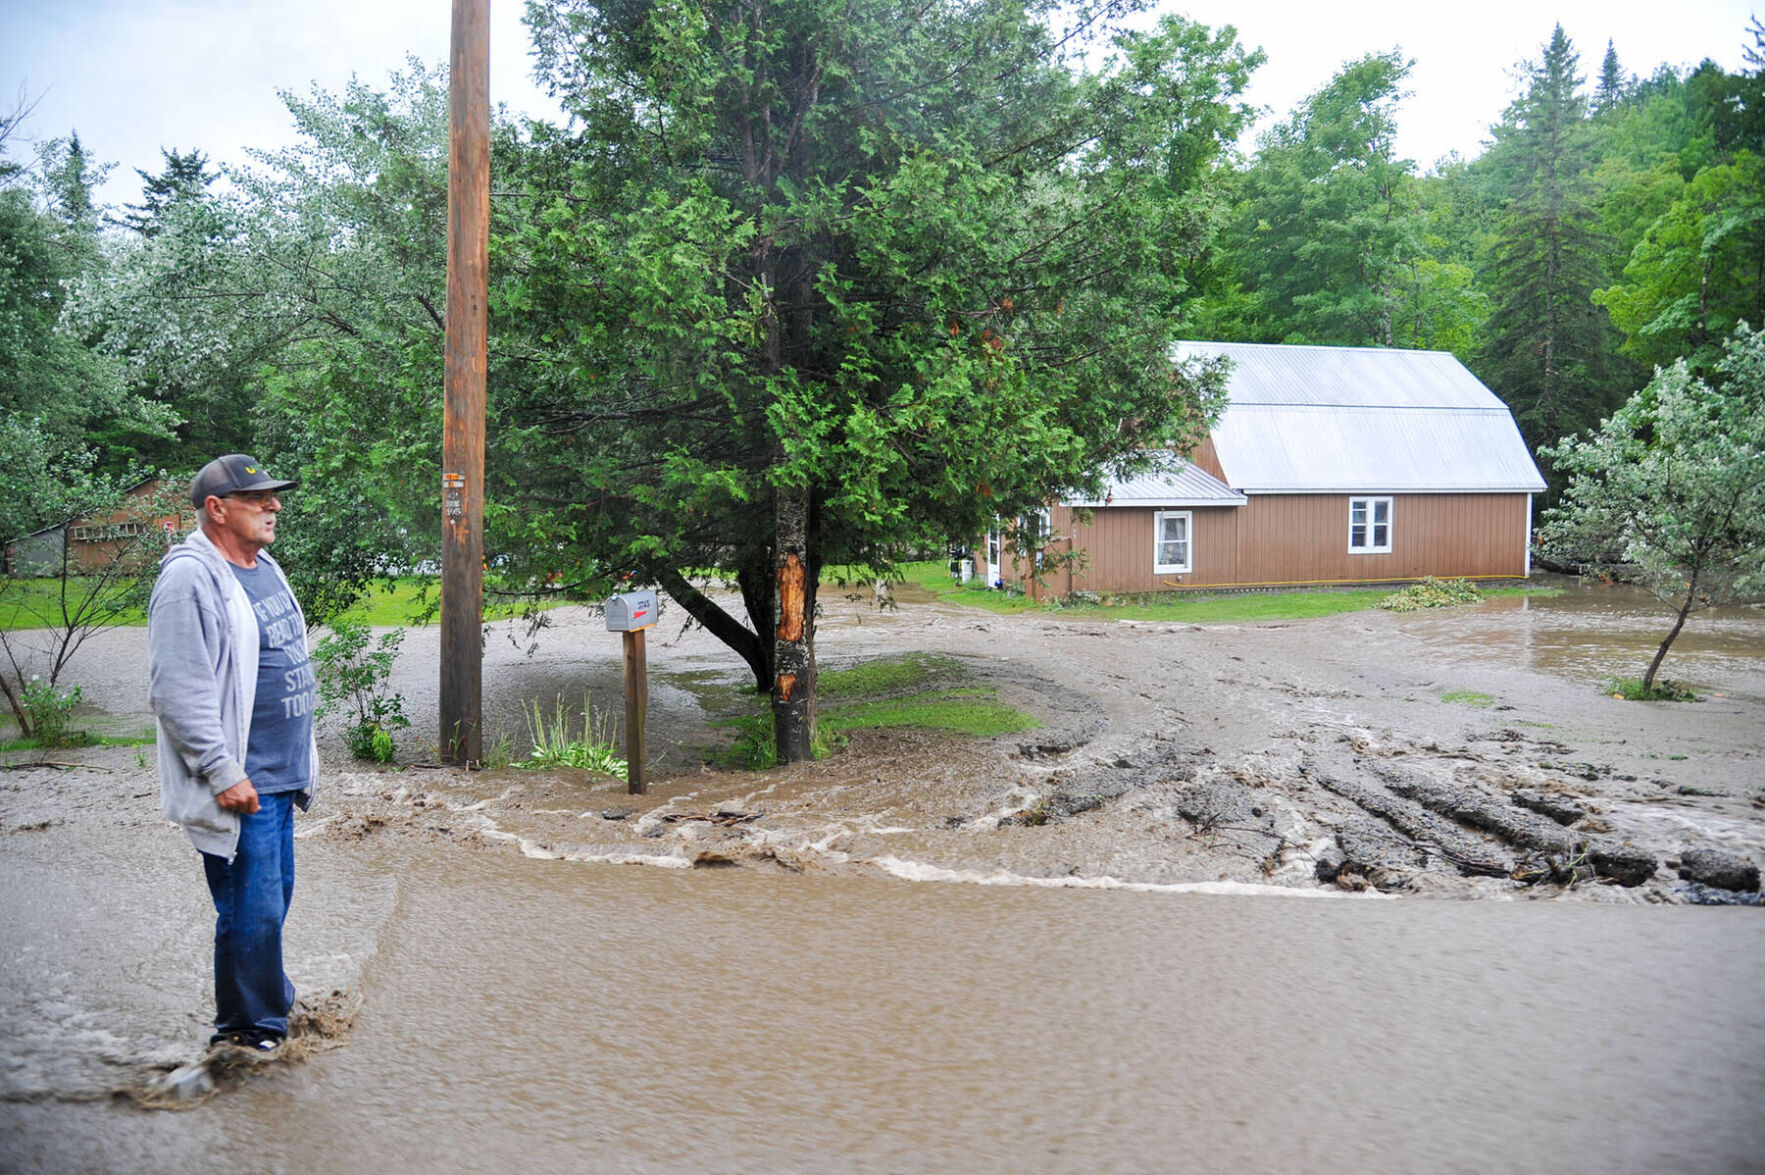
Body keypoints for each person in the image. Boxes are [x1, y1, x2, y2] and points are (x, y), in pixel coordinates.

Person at [148, 454, 317, 1055]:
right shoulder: (190, 578)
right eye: (258, 498)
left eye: (273, 496)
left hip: (278, 774)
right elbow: (176, 689)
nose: (274, 506)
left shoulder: (261, 563)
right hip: (243, 779)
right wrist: (222, 771)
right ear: (217, 509)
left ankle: (271, 1001)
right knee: (252, 911)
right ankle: (246, 1033)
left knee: (270, 906)